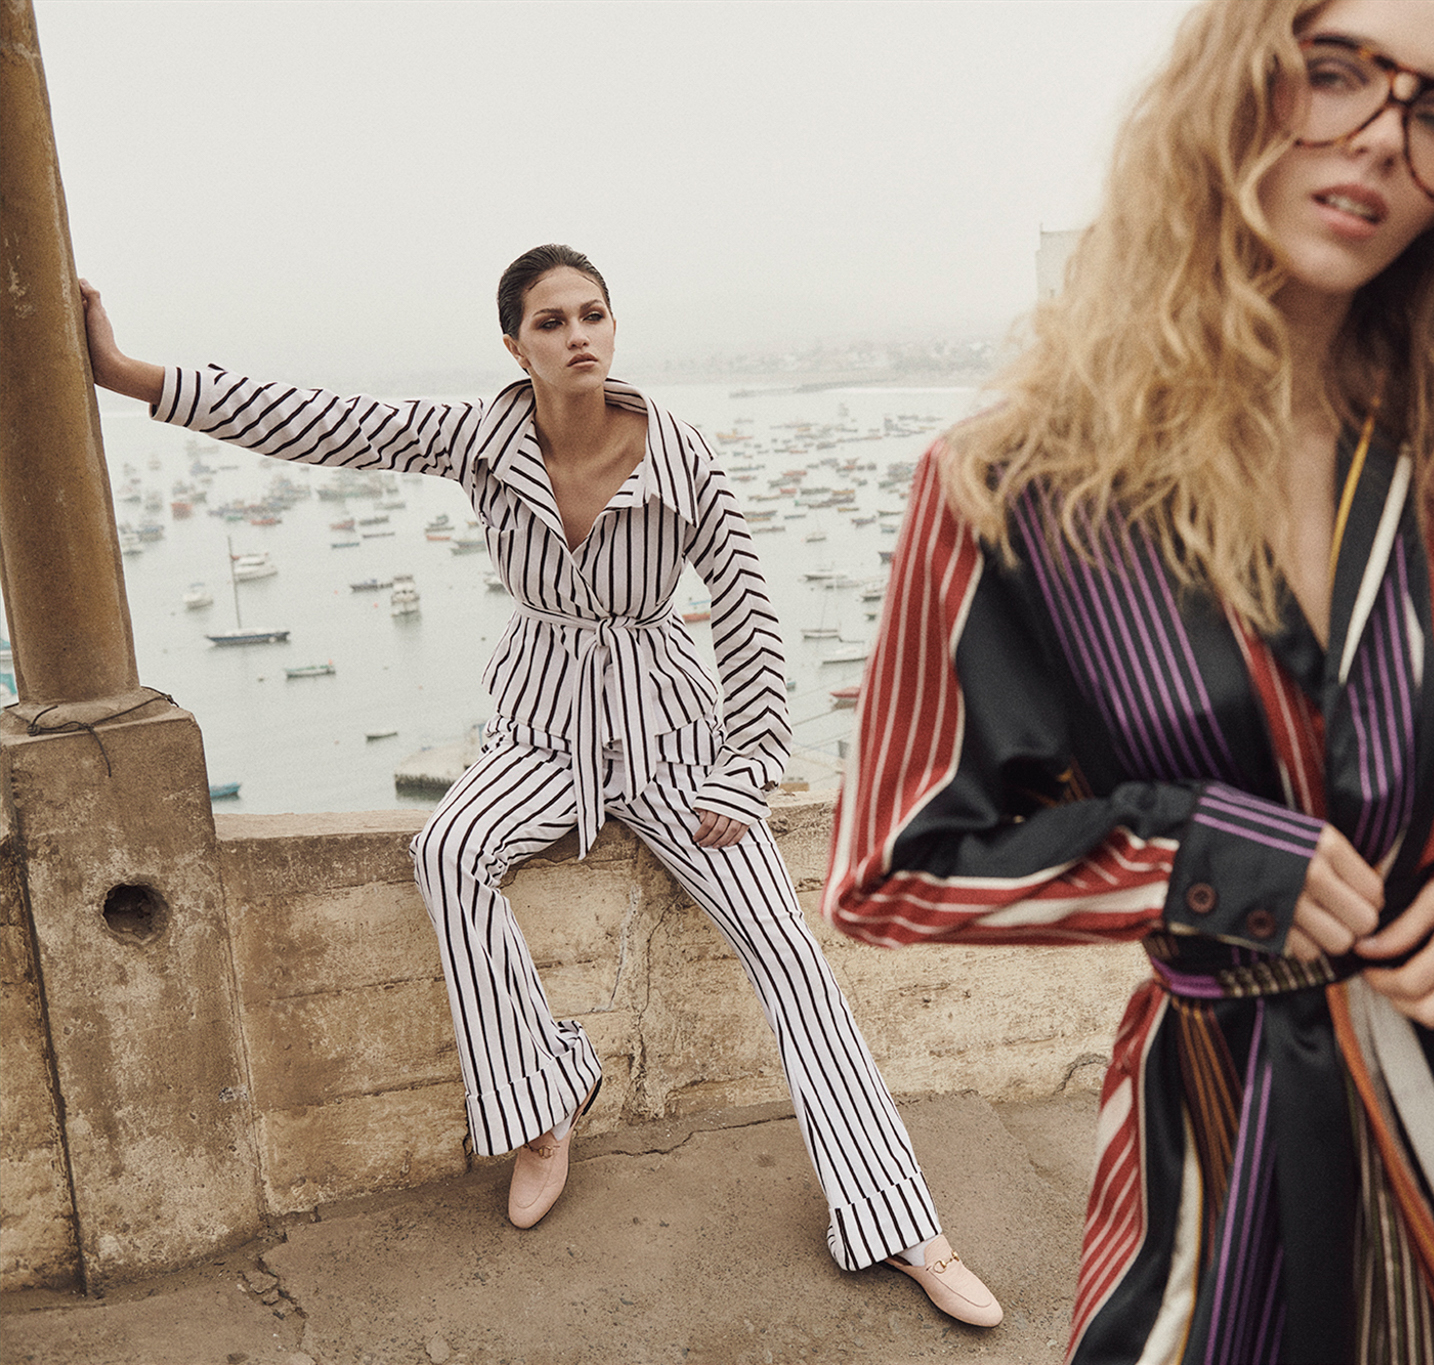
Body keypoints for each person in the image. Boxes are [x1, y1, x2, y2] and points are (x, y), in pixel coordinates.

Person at [824, 0, 1434, 1360]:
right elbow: (896, 866)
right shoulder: (1018, 486)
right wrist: (1203, 861)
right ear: (1232, 88)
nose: (1382, 138)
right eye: (1333, 72)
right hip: (1230, 1147)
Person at [80, 245, 1000, 1328]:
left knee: (791, 960)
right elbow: (325, 420)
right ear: (516, 346)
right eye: (552, 322)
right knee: (446, 850)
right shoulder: (481, 439)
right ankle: (543, 1097)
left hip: (671, 741)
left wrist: (748, 767)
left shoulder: (682, 460)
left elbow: (750, 617)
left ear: (613, 326)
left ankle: (902, 1223)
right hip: (540, 734)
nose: (578, 336)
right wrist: (129, 375)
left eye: (593, 314)